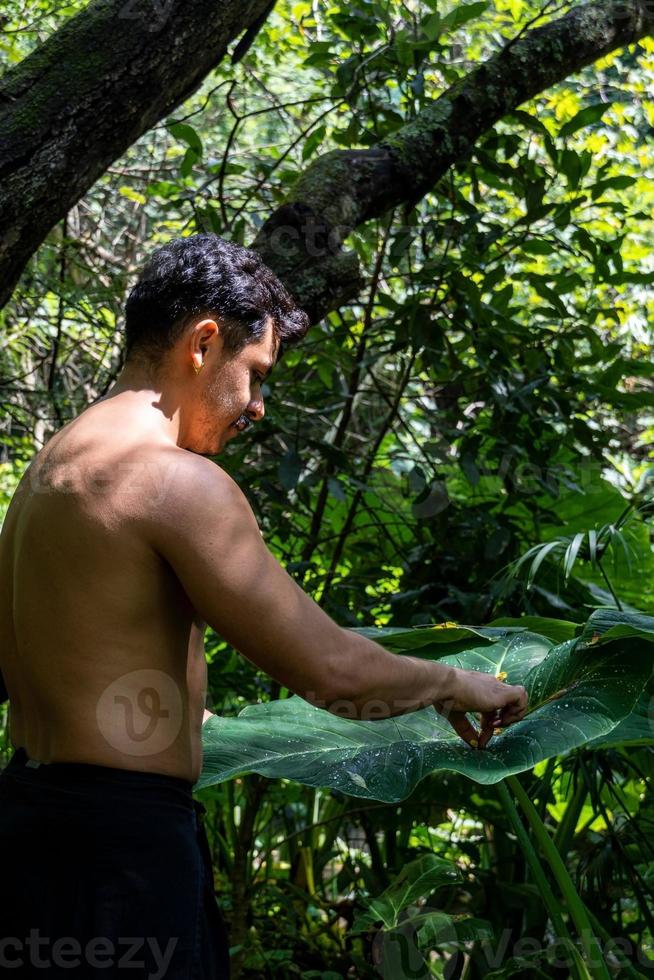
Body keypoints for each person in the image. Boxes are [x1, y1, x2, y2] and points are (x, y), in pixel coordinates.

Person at [0, 233, 528, 978]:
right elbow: (332, 672)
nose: (256, 406)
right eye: (254, 374)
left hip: (28, 829)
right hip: (122, 852)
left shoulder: (51, 468)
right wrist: (454, 682)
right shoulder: (171, 480)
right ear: (203, 341)